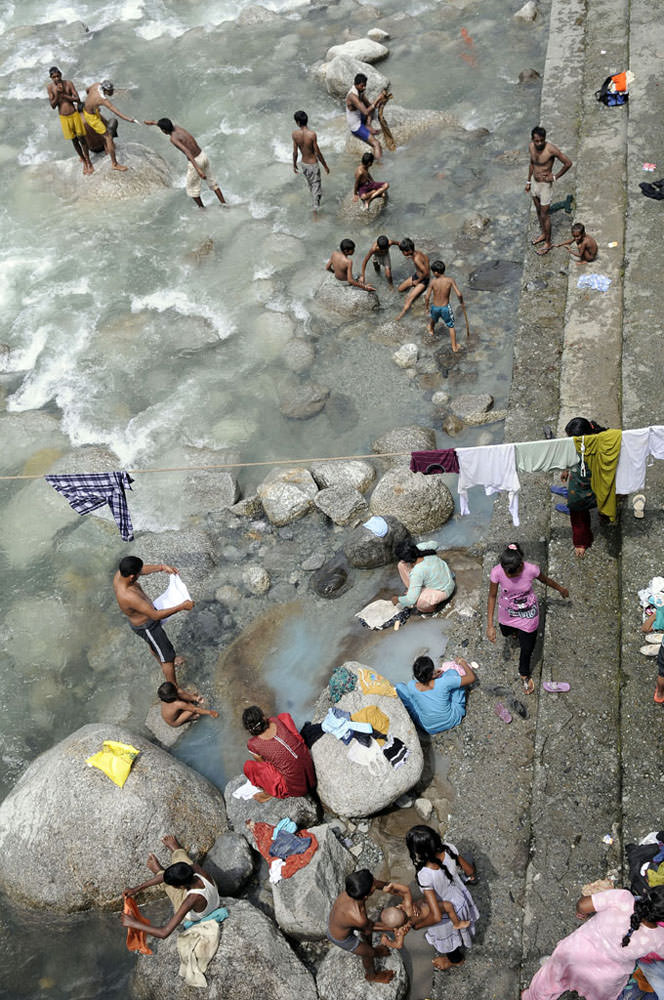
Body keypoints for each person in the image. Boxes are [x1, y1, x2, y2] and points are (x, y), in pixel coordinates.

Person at [522, 885, 664, 1000]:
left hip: (573, 955)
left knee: (548, 981)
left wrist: (582, 912)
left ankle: (532, 997)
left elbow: (583, 905)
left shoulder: (623, 898)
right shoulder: (659, 937)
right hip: (604, 978)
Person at [487, 542, 569, 695]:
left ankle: (524, 672)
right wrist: (490, 625)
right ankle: (515, 633)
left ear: (521, 566)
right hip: (507, 613)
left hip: (528, 614)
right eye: (507, 573)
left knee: (527, 648)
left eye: (513, 573)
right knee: (506, 632)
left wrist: (560, 589)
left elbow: (546, 580)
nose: (509, 576)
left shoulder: (531, 569)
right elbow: (492, 596)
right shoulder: (497, 572)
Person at [113, 556, 194, 689]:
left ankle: (160, 656)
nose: (141, 573)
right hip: (147, 626)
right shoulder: (128, 596)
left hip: (148, 617)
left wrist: (162, 568)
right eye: (139, 573)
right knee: (168, 656)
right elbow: (155, 615)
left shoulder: (121, 574)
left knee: (155, 645)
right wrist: (182, 606)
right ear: (132, 577)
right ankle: (174, 689)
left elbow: (141, 570)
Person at [405, 825, 479, 971]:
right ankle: (460, 947)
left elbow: (437, 916)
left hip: (446, 910)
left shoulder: (425, 874)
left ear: (417, 851)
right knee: (459, 931)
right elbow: (470, 871)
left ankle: (456, 961)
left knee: (448, 941)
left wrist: (416, 926)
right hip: (460, 898)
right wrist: (468, 877)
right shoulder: (449, 848)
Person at [122, 835, 220, 940]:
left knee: (169, 888)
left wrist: (134, 923)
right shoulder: (195, 868)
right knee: (183, 863)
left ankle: (158, 870)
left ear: (181, 887)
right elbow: (178, 871)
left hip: (202, 912)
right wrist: (137, 889)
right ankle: (176, 850)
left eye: (175, 885)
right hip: (213, 895)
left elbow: (164, 933)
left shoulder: (191, 900)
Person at [327, 869, 395, 984]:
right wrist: (394, 927)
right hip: (340, 937)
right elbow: (371, 926)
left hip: (340, 921)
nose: (375, 881)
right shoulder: (358, 917)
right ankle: (371, 976)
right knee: (369, 953)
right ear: (366, 896)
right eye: (373, 884)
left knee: (367, 933)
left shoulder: (354, 889)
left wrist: (390, 887)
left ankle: (373, 948)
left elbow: (376, 883)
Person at [144, 118, 226, 208]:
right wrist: (153, 123)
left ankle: (202, 209)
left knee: (191, 189)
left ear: (164, 131)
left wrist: (198, 169)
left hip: (195, 161)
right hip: (203, 155)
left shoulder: (173, 139)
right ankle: (224, 203)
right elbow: (167, 125)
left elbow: (187, 151)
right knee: (212, 183)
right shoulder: (178, 127)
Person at [241, 705, 316, 802]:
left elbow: (264, 765)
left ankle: (268, 793)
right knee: (284, 717)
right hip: (310, 773)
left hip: (296, 789)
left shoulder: (253, 744)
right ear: (263, 717)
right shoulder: (274, 720)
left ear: (249, 729)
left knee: (249, 766)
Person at [558, 416, 606, 557]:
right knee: (578, 508)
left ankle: (583, 540)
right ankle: (581, 541)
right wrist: (566, 469)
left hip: (595, 481)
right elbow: (569, 452)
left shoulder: (602, 443)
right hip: (579, 481)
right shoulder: (577, 441)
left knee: (582, 510)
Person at [378, 882, 470, 951]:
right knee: (448, 906)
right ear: (398, 908)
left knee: (422, 913)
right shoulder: (407, 907)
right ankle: (457, 923)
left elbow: (398, 945)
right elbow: (406, 890)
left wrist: (387, 942)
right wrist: (391, 887)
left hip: (422, 915)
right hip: (430, 910)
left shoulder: (400, 929)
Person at [396, 655, 476, 734]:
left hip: (428, 727)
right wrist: (462, 662)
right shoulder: (443, 682)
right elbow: (471, 677)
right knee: (452, 673)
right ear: (431, 671)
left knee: (399, 687)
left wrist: (431, 677)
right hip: (451, 720)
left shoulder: (411, 686)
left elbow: (424, 685)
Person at [526, 126, 573, 254]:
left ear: (545, 139)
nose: (539, 143)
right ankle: (543, 234)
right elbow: (532, 163)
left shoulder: (551, 149)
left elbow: (568, 163)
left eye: (542, 140)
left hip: (545, 186)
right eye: (537, 141)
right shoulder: (531, 147)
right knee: (537, 210)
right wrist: (528, 181)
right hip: (535, 183)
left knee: (545, 215)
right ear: (533, 140)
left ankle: (548, 243)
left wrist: (555, 177)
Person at [47, 66, 94, 175]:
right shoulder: (50, 88)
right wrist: (58, 94)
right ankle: (83, 160)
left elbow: (77, 99)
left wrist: (64, 95)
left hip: (73, 114)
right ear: (50, 78)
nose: (56, 78)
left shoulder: (68, 83)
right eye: (54, 77)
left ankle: (89, 161)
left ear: (61, 74)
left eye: (58, 76)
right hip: (64, 117)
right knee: (74, 140)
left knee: (82, 139)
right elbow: (53, 105)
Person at [83, 80, 138, 171]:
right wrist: (129, 119)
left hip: (90, 110)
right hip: (91, 117)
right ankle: (114, 164)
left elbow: (87, 90)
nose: (112, 92)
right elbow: (116, 111)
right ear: (105, 90)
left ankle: (107, 146)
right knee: (108, 137)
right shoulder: (102, 99)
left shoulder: (96, 85)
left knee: (106, 124)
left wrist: (92, 104)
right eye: (111, 91)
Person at [392, 539, 455, 613]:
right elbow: (436, 543)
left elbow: (411, 601)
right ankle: (413, 590)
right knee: (401, 565)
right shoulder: (422, 548)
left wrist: (397, 599)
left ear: (408, 560)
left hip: (444, 590)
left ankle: (432, 609)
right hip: (445, 576)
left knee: (419, 602)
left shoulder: (417, 571)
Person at [291, 110, 329, 219]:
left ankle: (314, 207)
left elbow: (295, 152)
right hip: (313, 165)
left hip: (304, 164)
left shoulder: (295, 134)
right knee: (316, 190)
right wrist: (325, 165)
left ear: (298, 122)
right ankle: (316, 214)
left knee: (311, 186)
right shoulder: (312, 135)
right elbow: (317, 152)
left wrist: (294, 164)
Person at [425, 260, 466, 350]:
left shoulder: (433, 282)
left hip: (435, 307)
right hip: (445, 308)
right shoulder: (450, 280)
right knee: (451, 326)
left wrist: (427, 307)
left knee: (433, 318)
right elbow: (459, 294)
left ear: (436, 272)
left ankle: (431, 330)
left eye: (433, 272)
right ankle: (454, 346)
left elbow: (427, 297)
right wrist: (461, 302)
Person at [346, 73, 386, 160]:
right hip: (356, 126)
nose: (364, 88)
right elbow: (365, 112)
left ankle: (367, 125)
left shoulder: (360, 92)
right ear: (356, 84)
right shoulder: (352, 96)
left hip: (361, 118)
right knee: (376, 144)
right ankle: (380, 165)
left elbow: (369, 105)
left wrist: (379, 103)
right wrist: (377, 99)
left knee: (371, 109)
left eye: (365, 86)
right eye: (362, 86)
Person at [396, 238, 430, 320]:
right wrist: (410, 257)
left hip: (423, 280)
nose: (402, 253)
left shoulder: (417, 259)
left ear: (408, 250)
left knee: (409, 299)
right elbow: (426, 260)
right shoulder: (416, 253)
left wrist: (417, 281)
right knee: (400, 289)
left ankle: (400, 316)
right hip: (416, 275)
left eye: (403, 251)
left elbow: (426, 272)